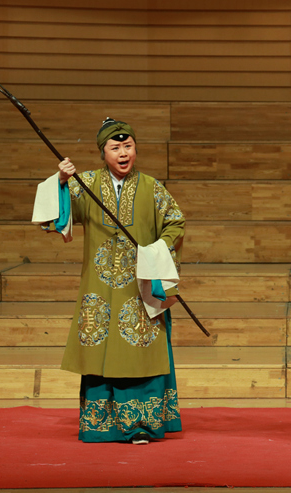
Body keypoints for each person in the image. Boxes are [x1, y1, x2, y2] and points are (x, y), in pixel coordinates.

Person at [32, 118, 185, 444]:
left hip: (139, 287)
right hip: (98, 289)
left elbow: (175, 222)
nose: (123, 153)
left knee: (141, 351)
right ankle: (101, 425)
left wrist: (158, 251)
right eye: (115, 148)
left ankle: (141, 425)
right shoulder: (85, 184)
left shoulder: (152, 188)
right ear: (103, 152)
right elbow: (51, 220)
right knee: (99, 351)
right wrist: (61, 181)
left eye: (128, 146)